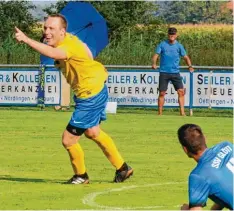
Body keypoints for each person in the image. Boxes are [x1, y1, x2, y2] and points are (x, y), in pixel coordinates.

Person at [15, 14, 133, 184]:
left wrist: (27, 40)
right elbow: (85, 49)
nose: (47, 31)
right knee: (93, 132)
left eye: (51, 29)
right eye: (45, 28)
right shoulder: (70, 38)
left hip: (90, 95)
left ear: (62, 31)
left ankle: (81, 176)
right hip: (94, 88)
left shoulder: (67, 46)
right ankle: (123, 168)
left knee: (68, 139)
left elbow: (54, 53)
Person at [177, 124, 233, 210]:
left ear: (185, 149)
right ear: (205, 138)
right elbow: (225, 185)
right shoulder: (227, 146)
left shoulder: (199, 176)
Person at [152, 27, 194, 116]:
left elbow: (185, 57)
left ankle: (182, 113)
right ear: (168, 35)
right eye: (170, 34)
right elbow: (156, 55)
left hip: (175, 72)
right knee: (162, 92)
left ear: (176, 35)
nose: (172, 36)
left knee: (181, 92)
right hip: (164, 72)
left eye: (173, 34)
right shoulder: (162, 44)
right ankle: (159, 113)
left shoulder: (179, 46)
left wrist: (190, 66)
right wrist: (154, 63)